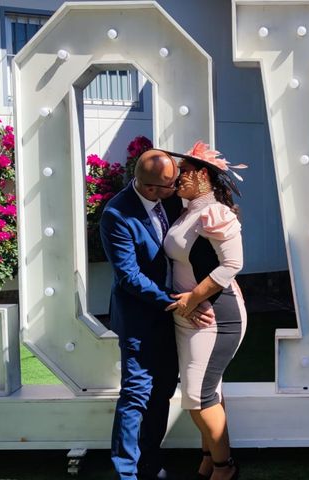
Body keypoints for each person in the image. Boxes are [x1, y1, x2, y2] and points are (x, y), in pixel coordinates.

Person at [100, 149, 214, 480]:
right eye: (170, 185)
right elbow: (128, 276)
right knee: (136, 394)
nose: (176, 187)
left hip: (172, 317)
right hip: (140, 318)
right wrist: (178, 302)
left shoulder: (170, 200)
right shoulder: (116, 215)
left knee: (162, 391)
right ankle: (127, 473)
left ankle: (150, 463)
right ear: (151, 188)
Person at [163, 141, 247, 480]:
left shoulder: (216, 213)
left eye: (182, 172)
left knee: (198, 396)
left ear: (201, 174)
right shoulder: (186, 211)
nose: (176, 178)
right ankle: (210, 459)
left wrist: (191, 299)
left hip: (216, 316)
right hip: (190, 314)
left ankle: (224, 468)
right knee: (208, 391)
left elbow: (233, 264)